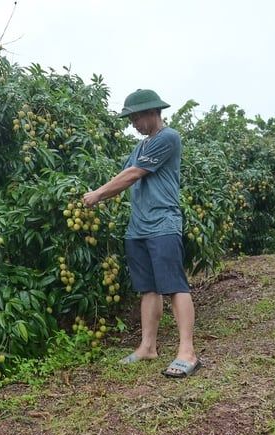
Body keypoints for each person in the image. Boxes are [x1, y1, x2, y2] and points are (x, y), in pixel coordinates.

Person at [83, 89, 201, 378]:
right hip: (138, 227)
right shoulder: (140, 147)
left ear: (152, 113)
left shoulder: (168, 138)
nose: (133, 123)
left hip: (163, 224)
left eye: (136, 117)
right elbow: (124, 176)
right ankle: (148, 347)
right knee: (147, 287)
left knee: (174, 286)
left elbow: (132, 175)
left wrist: (97, 194)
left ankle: (187, 351)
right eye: (131, 118)